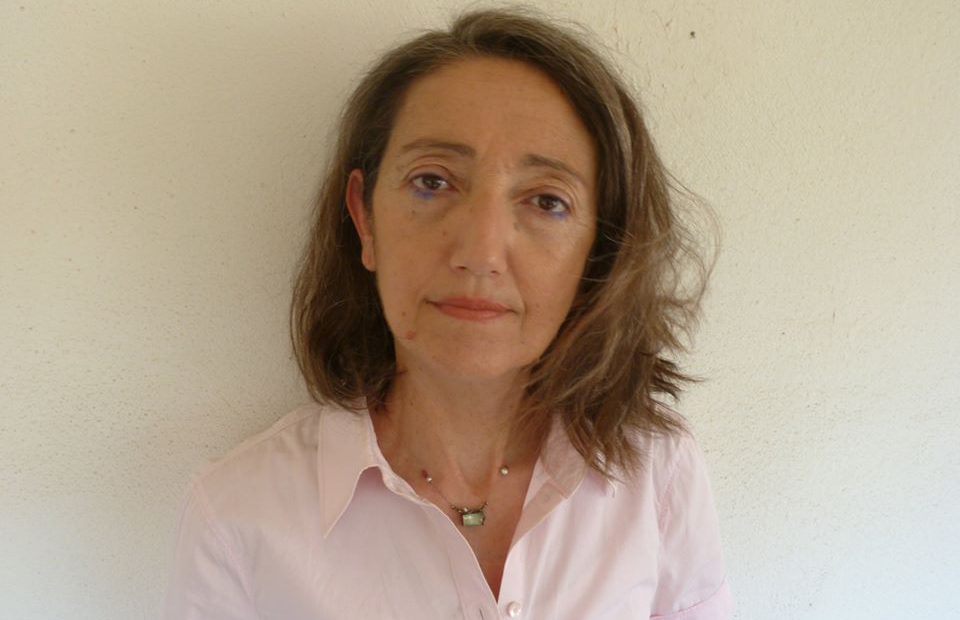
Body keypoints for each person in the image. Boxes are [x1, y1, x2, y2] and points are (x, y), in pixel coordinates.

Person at [164, 8, 732, 619]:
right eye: (432, 182)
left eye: (547, 200)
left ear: (600, 248)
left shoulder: (658, 473)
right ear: (364, 218)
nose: (480, 253)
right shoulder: (237, 516)